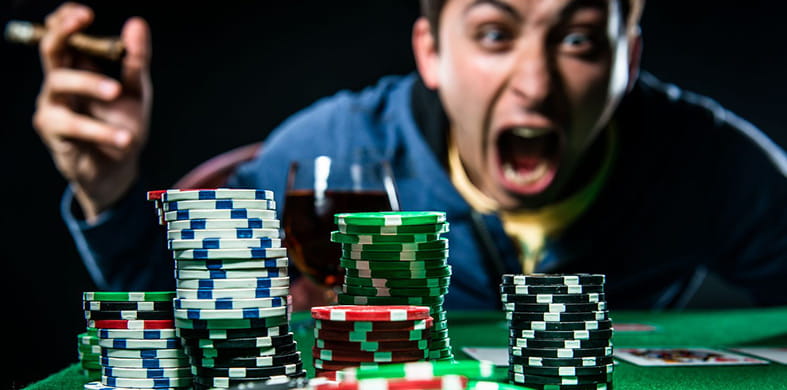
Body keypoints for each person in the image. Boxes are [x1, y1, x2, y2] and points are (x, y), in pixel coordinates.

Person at [32, 0, 787, 311]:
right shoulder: (339, 153)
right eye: (494, 33)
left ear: (631, 58)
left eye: (580, 39)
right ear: (430, 51)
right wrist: (111, 186)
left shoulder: (708, 160)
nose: (534, 85)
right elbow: (173, 300)